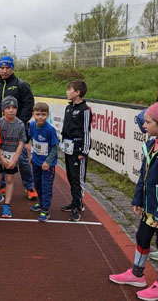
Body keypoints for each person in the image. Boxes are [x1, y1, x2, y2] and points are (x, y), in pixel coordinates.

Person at [109, 102, 158, 301]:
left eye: (148, 122)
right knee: (143, 237)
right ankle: (137, 273)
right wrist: (138, 199)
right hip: (149, 205)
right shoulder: (152, 144)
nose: (144, 124)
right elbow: (144, 175)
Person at [0, 56, 37, 200]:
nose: (5, 70)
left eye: (8, 68)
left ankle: (29, 186)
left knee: (22, 159)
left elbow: (28, 104)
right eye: (2, 68)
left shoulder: (21, 85)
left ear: (12, 68)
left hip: (16, 129)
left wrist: (20, 122)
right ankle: (1, 186)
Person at [60, 80, 92, 222]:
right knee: (70, 176)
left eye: (69, 89)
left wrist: (84, 151)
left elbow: (86, 132)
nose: (67, 92)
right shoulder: (68, 108)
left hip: (78, 150)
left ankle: (77, 207)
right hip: (68, 148)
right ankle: (75, 202)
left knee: (78, 178)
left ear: (77, 93)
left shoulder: (85, 110)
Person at [0, 96, 25, 218]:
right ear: (3, 109)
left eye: (14, 108)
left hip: (12, 157)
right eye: (8, 108)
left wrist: (14, 160)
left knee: (10, 180)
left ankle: (7, 205)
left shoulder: (20, 124)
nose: (11, 110)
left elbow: (21, 143)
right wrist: (1, 158)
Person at [29, 102, 59, 222]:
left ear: (47, 115)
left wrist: (47, 162)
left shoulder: (50, 130)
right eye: (37, 114)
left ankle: (45, 210)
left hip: (48, 164)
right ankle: (41, 203)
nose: (40, 117)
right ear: (33, 114)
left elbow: (55, 147)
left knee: (46, 186)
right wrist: (33, 154)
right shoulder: (31, 125)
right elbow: (33, 141)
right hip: (36, 161)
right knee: (37, 184)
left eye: (43, 114)